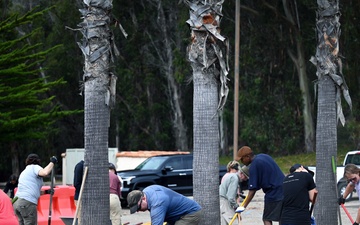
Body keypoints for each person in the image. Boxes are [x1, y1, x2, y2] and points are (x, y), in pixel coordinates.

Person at [235, 146, 284, 225]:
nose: (242, 162)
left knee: (267, 218)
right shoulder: (263, 156)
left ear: (247, 157)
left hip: (273, 192)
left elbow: (252, 190)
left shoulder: (254, 165)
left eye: (242, 159)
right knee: (282, 217)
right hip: (284, 188)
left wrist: (243, 206)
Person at [13, 153, 57, 225]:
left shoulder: (24, 172)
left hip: (17, 202)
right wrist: (52, 162)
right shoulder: (34, 167)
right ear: (38, 161)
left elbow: (32, 190)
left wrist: (46, 192)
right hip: (27, 203)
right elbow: (45, 172)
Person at [127, 184, 203, 225]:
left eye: (138, 207)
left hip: (190, 214)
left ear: (143, 199)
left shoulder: (157, 203)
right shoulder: (146, 191)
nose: (138, 211)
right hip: (176, 215)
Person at [219, 161, 241, 225]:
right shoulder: (231, 177)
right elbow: (230, 196)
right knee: (232, 220)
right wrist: (235, 206)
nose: (237, 171)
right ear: (231, 169)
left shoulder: (232, 177)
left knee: (224, 221)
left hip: (228, 201)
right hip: (226, 202)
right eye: (236, 169)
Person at [73, 160, 84, 225]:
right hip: (79, 197)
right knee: (81, 218)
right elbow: (76, 183)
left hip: (86, 197)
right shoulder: (80, 166)